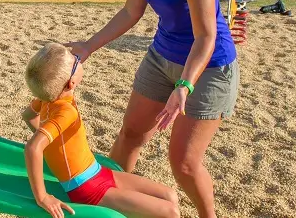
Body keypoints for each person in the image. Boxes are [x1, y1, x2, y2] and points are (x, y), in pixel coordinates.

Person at [65, 0, 239, 218]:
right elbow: (132, 11)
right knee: (130, 134)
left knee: (184, 164)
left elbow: (206, 36)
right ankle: (109, 206)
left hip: (208, 66)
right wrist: (89, 46)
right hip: (162, 58)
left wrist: (184, 86)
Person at [22, 42, 180, 218]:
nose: (78, 59)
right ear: (71, 84)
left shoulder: (46, 98)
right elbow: (33, 147)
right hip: (87, 189)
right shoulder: (65, 112)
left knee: (169, 196)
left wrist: (53, 146)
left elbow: (29, 116)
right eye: (76, 61)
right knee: (170, 212)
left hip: (98, 172)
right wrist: (42, 197)